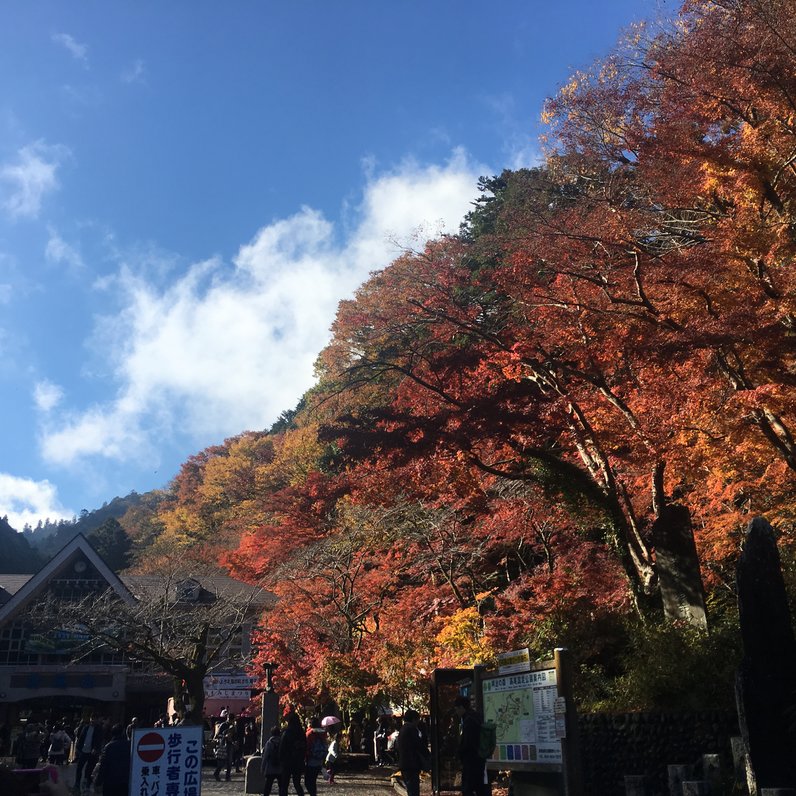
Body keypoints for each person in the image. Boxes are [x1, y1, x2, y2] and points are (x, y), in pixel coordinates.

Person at [453, 696, 487, 796]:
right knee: (479, 788)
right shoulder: (477, 717)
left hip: (471, 760)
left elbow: (467, 742)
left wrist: (459, 753)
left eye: (456, 709)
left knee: (467, 789)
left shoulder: (468, 720)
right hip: (479, 759)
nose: (456, 712)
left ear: (461, 708)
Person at [92, 724, 131, 796]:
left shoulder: (108, 747)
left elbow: (103, 765)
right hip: (125, 781)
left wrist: (98, 781)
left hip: (110, 781)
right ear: (123, 732)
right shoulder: (129, 745)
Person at [396, 710, 428, 796]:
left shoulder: (402, 729)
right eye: (418, 720)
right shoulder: (411, 729)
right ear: (414, 719)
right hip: (411, 764)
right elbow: (419, 745)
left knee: (410, 790)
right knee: (413, 791)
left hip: (404, 764)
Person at [73, 715, 104, 790]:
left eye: (94, 719)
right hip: (84, 750)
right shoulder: (86, 727)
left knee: (90, 768)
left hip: (92, 752)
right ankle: (77, 782)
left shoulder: (99, 729)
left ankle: (87, 783)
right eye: (91, 719)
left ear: (97, 720)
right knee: (79, 767)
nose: (92, 721)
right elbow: (81, 738)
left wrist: (96, 749)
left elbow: (99, 740)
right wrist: (78, 748)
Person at [278, 711, 306, 796]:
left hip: (287, 762)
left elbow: (282, 748)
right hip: (298, 761)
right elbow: (304, 747)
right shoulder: (301, 733)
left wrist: (280, 759)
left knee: (284, 784)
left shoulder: (286, 732)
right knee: (297, 783)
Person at [304, 718, 327, 796]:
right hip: (319, 760)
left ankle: (313, 794)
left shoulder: (309, 734)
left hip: (311, 760)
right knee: (313, 780)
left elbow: (306, 746)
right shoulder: (323, 733)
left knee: (307, 782)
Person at [213, 713, 237, 781]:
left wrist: (234, 740)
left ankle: (228, 776)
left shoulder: (234, 726)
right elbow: (217, 735)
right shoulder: (223, 725)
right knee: (222, 761)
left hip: (230, 744)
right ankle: (217, 773)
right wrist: (225, 735)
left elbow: (235, 735)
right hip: (223, 744)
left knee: (229, 761)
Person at [260, 725, 282, 796]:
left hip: (270, 767)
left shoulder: (269, 743)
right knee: (282, 787)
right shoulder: (282, 742)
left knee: (268, 786)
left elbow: (265, 756)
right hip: (280, 767)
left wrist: (262, 767)